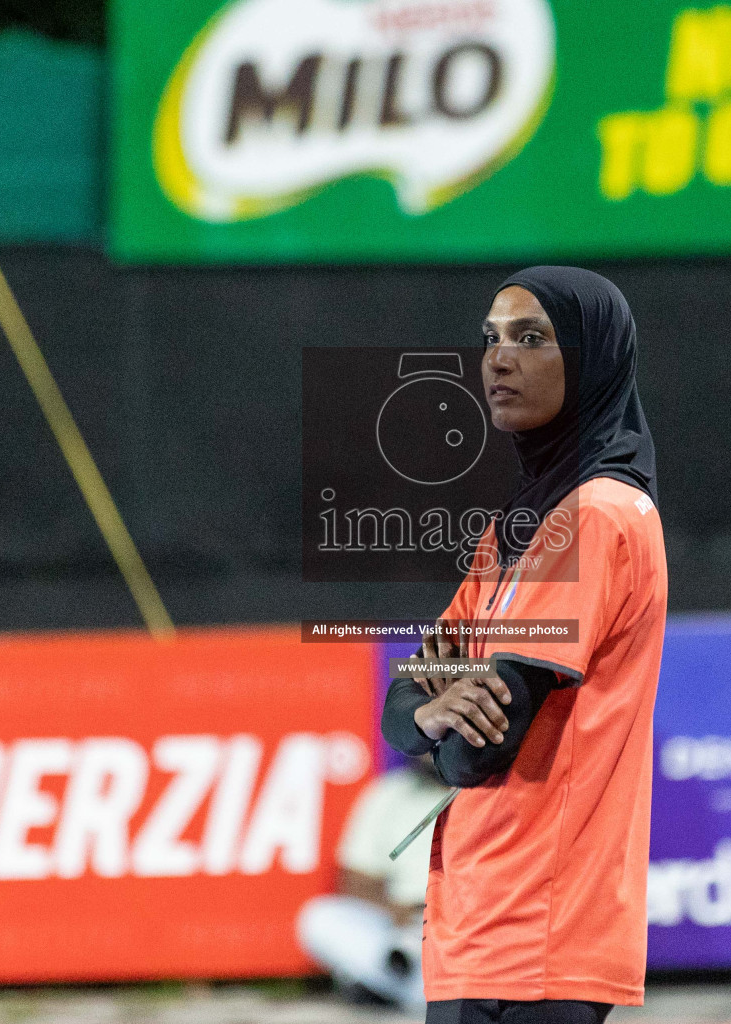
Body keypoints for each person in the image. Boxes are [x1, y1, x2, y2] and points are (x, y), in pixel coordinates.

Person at [381, 267, 667, 1024]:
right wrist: (434, 709)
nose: (498, 359)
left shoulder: (597, 516)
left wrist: (437, 722)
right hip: (484, 926)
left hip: (539, 931)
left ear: (592, 359)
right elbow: (401, 697)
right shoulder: (513, 530)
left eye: (531, 338)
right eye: (491, 338)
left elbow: (479, 749)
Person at [297, 757, 452, 1014]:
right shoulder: (390, 793)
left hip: (466, 922)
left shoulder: (495, 791)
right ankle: (421, 992)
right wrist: (398, 911)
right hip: (407, 923)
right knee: (319, 918)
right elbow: (356, 879)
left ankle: (402, 992)